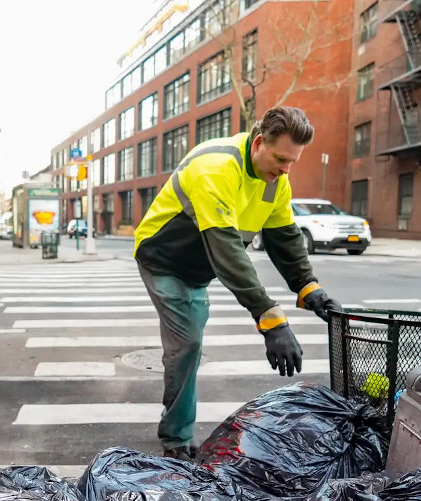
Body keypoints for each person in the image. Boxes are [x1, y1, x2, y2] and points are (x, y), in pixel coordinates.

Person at [134, 106, 341, 462]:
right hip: (164, 261)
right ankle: (176, 440)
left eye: (292, 161)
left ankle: (176, 423)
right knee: (187, 345)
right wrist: (268, 317)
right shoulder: (216, 167)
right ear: (259, 142)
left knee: (187, 347)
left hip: (198, 271)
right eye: (280, 158)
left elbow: (285, 237)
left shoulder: (275, 181)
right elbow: (227, 248)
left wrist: (308, 287)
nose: (286, 169)